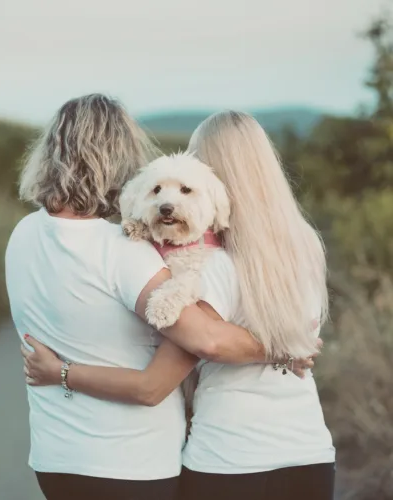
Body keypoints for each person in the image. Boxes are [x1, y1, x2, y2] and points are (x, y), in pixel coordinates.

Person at [21, 110, 334, 500]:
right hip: (309, 450)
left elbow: (173, 368)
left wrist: (61, 372)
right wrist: (289, 347)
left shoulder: (213, 265)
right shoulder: (306, 243)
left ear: (214, 180)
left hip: (229, 457)